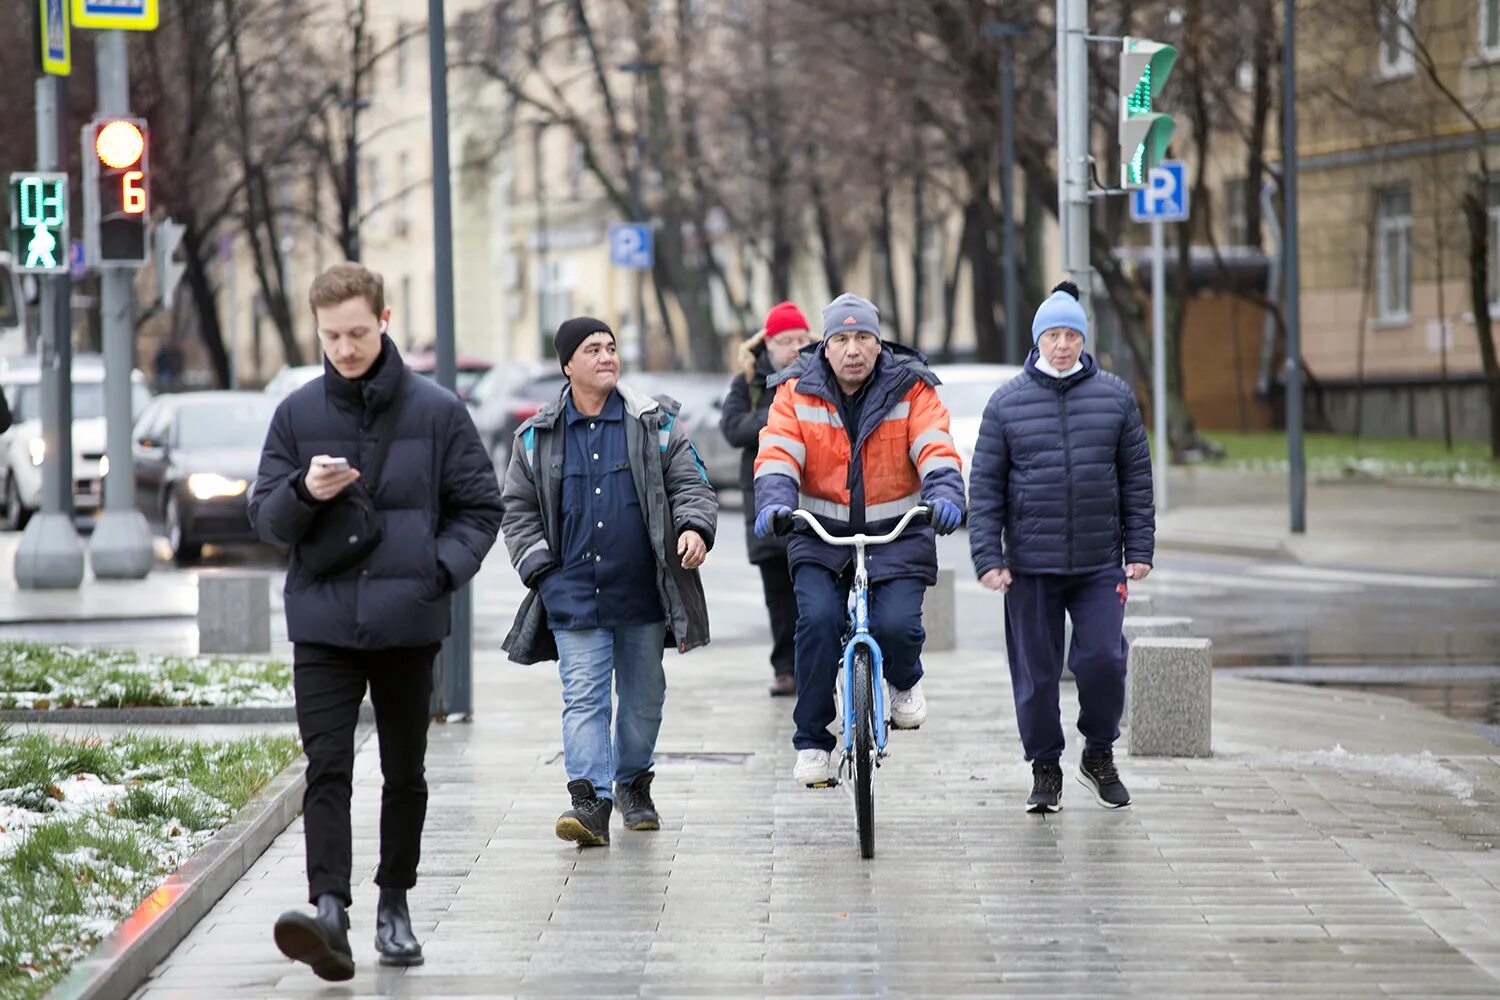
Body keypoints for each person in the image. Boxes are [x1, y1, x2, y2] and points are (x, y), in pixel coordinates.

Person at [249, 263, 503, 979]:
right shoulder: (297, 414)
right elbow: (266, 518)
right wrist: (304, 489)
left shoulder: (436, 411)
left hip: (406, 622)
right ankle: (328, 910)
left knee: (405, 772)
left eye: (358, 332)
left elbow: (481, 509)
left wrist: (435, 571)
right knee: (326, 767)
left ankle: (395, 903)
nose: (346, 348)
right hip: (323, 623)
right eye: (332, 335)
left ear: (385, 320)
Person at [500, 317, 718, 848]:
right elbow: (518, 510)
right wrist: (543, 573)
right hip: (571, 593)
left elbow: (692, 483)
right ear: (567, 364)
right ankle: (590, 801)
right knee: (585, 697)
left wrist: (693, 529)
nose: (606, 356)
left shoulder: (654, 423)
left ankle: (633, 783)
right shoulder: (536, 437)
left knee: (644, 697)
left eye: (611, 347)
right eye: (592, 349)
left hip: (643, 590)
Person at [753, 293, 966, 787]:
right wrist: (774, 502)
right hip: (820, 531)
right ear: (824, 347)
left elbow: (934, 443)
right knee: (819, 624)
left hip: (896, 529)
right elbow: (779, 451)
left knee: (896, 625)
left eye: (863, 338)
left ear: (878, 343)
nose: (853, 349)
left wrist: (945, 491)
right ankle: (811, 742)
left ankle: (905, 680)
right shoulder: (794, 392)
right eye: (842, 339)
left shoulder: (912, 389)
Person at [967, 281, 1155, 814]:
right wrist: (989, 558)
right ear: (1038, 340)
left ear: (1083, 339)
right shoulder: (1006, 404)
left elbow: (1136, 479)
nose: (1063, 344)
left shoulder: (1115, 397)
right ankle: (1044, 767)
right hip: (1029, 566)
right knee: (1036, 674)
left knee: (1101, 660)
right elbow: (985, 489)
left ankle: (1098, 755)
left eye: (1072, 334)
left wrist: (1138, 547)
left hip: (1099, 562)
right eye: (1053, 334)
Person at [719, 302, 814, 697]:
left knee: (813, 589)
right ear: (768, 344)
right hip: (764, 496)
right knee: (778, 595)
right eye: (785, 341)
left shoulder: (820, 371)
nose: (794, 347)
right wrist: (780, 416)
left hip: (812, 497)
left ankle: (817, 665)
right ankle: (785, 668)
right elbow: (732, 427)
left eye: (801, 339)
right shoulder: (749, 381)